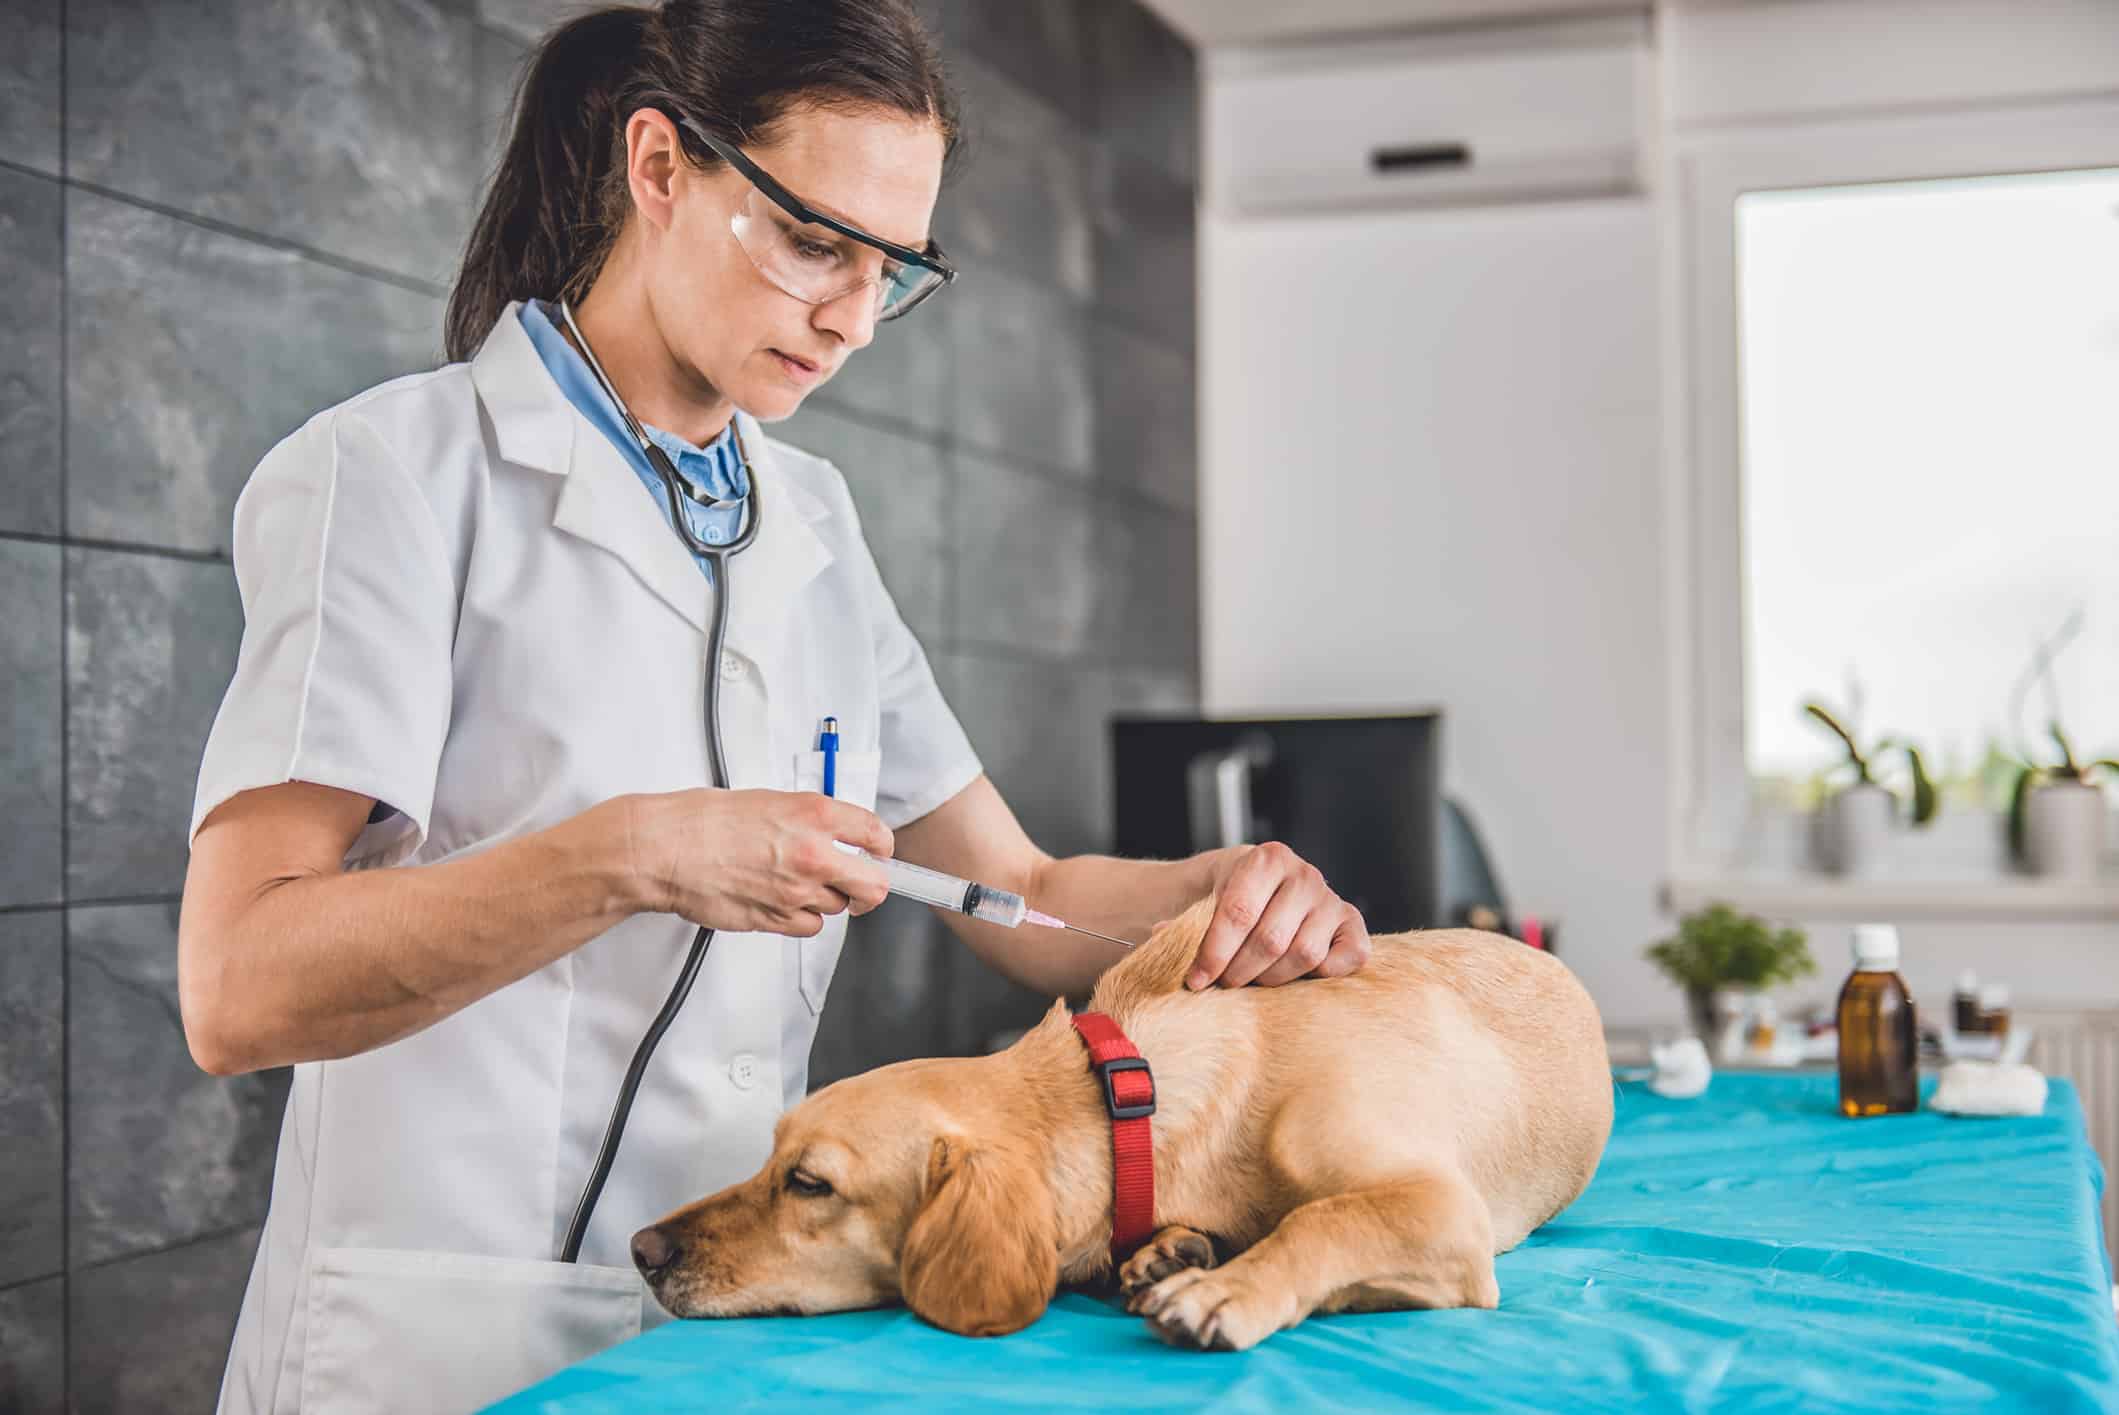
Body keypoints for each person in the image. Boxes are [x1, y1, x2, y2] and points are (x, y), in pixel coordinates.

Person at [177, 2, 1371, 1409]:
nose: (856, 320)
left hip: (739, 1328)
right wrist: (628, 856)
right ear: (662, 168)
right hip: (441, 1338)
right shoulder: (394, 473)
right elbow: (237, 986)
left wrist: (1213, 896)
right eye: (816, 243)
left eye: (894, 269)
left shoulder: (813, 522)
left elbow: (1027, 888)